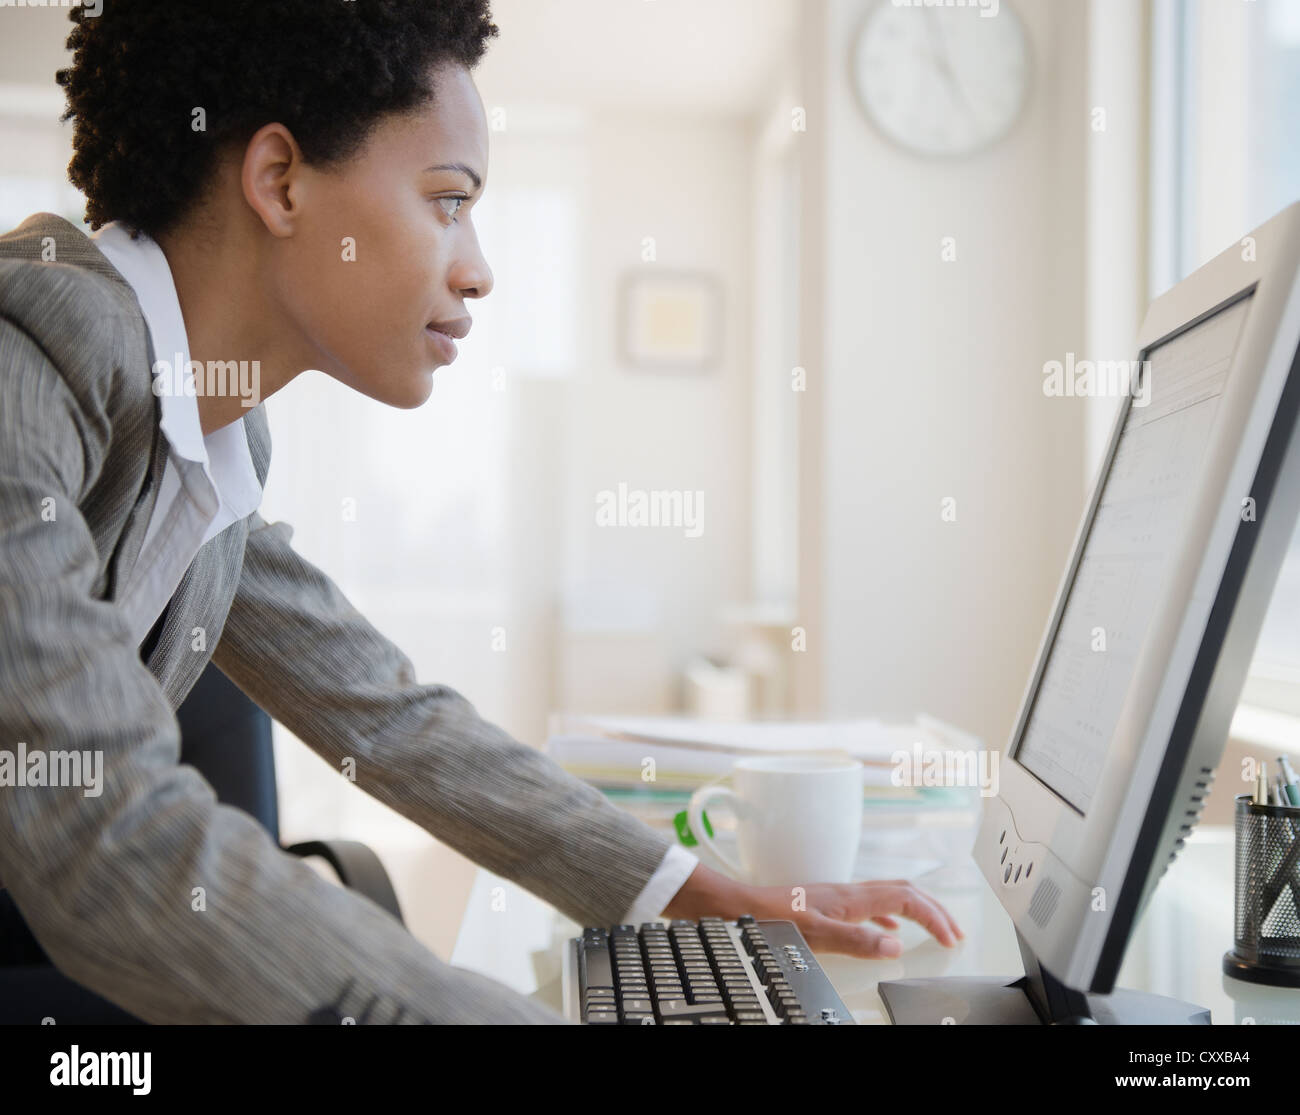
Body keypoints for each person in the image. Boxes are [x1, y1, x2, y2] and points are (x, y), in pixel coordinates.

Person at [0, 0, 962, 1025]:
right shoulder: (26, 372)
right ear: (280, 181)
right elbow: (100, 826)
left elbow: (380, 711)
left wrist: (705, 894)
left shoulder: (207, 436)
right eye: (448, 200)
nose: (480, 267)